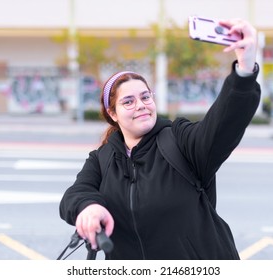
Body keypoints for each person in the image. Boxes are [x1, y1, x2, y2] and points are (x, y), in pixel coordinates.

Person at [59, 18, 261, 260]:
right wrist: (89, 207)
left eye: (145, 97)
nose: (141, 106)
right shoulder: (102, 159)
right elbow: (74, 195)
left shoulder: (179, 140)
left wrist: (244, 70)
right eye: (128, 101)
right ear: (112, 114)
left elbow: (223, 126)